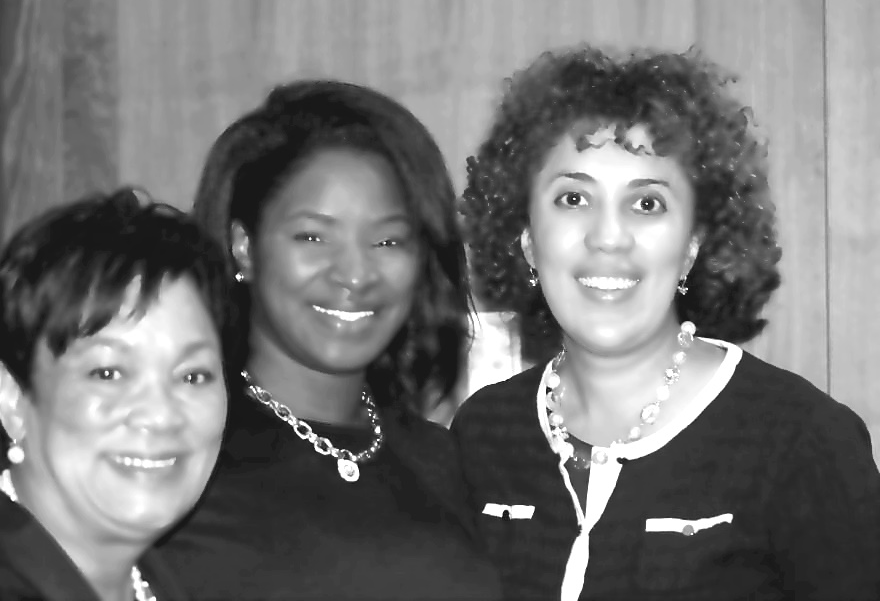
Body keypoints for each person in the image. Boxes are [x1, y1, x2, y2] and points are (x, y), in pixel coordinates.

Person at [452, 45, 880, 600]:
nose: (609, 237)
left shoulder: (801, 441)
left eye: (647, 204)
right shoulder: (482, 434)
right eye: (574, 198)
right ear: (528, 240)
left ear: (692, 247)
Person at [157, 79, 502, 600]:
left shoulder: (443, 460)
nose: (355, 274)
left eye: (387, 240)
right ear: (244, 247)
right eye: (313, 237)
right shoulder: (175, 453)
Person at [0, 189, 233, 601]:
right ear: (14, 399)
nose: (160, 415)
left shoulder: (169, 580)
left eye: (193, 376)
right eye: (108, 373)